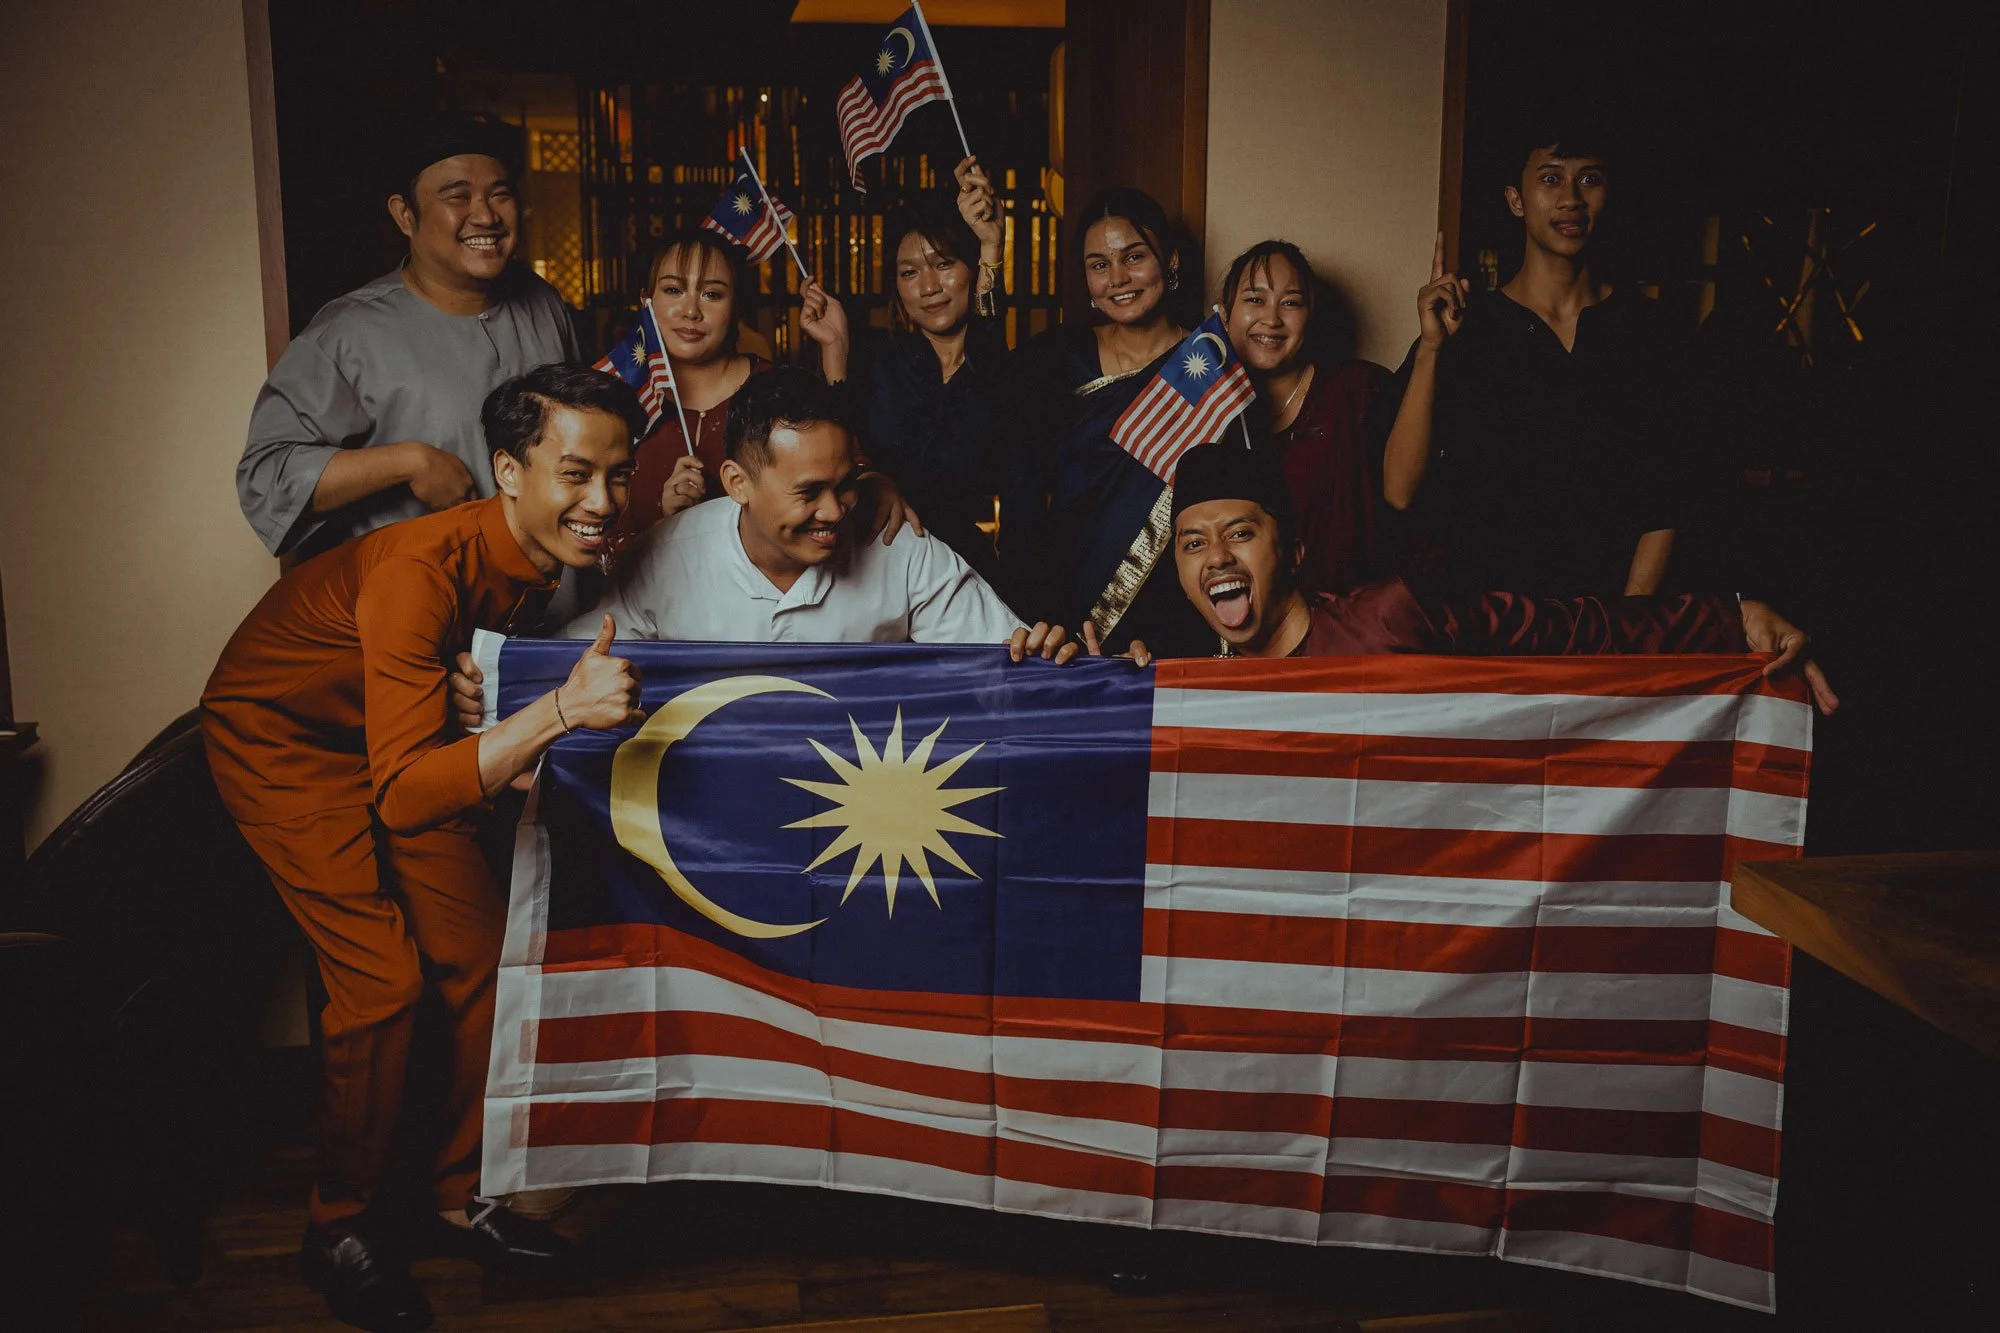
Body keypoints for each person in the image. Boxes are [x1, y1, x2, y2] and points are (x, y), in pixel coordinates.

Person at [202, 365, 651, 1332]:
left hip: (393, 735)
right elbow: (405, 795)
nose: (604, 501)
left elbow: (431, 722)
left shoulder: (537, 561)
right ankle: (337, 1229)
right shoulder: (419, 567)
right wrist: (561, 711)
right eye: (577, 473)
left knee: (480, 961)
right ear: (508, 471)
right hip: (284, 737)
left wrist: (493, 706)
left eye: (619, 474)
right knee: (381, 980)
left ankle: (456, 1194)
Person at [446, 367, 1078, 731]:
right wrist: (494, 687)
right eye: (808, 493)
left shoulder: (900, 547)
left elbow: (1010, 681)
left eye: (846, 485)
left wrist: (1067, 668)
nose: (833, 512)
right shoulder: (666, 556)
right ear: (737, 484)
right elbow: (581, 661)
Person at [1147, 442, 1838, 714]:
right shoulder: (1191, 683)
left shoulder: (1387, 614)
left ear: (1290, 550)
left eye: (1240, 533)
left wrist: (1733, 618)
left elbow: (1571, 633)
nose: (1217, 559)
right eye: (1193, 543)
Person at [238, 114, 581, 562]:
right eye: (458, 196)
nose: (485, 216)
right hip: (431, 614)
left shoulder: (544, 304)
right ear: (405, 214)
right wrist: (408, 462)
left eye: (500, 194)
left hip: (562, 613)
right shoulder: (348, 332)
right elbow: (266, 476)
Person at [1381, 127, 1705, 597]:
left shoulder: (1650, 331)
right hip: (1491, 624)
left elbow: (1668, 497)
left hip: (1613, 625)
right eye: (1550, 179)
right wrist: (1431, 349)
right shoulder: (1466, 329)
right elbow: (1399, 491)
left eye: (1588, 179)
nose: (1571, 199)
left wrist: (1626, 629)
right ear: (1516, 200)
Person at [999, 187, 1211, 659]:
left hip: (1174, 611)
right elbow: (988, 413)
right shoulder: (1054, 357)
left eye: (1134, 256)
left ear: (1170, 261)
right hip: (1061, 610)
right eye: (1099, 265)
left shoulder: (1207, 364)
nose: (1118, 278)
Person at [812, 157, 1009, 583]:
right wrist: (835, 349)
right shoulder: (879, 360)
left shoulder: (999, 369)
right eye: (909, 273)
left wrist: (992, 248)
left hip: (962, 569)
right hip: (870, 562)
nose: (928, 287)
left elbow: (989, 352)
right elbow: (831, 453)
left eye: (943, 264)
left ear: (972, 271)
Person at [1219, 239, 1396, 595]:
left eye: (1291, 303)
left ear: (1310, 315)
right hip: (1249, 631)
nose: (1271, 319)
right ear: (1224, 315)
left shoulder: (1360, 391)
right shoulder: (1210, 411)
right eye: (1255, 300)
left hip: (1354, 627)